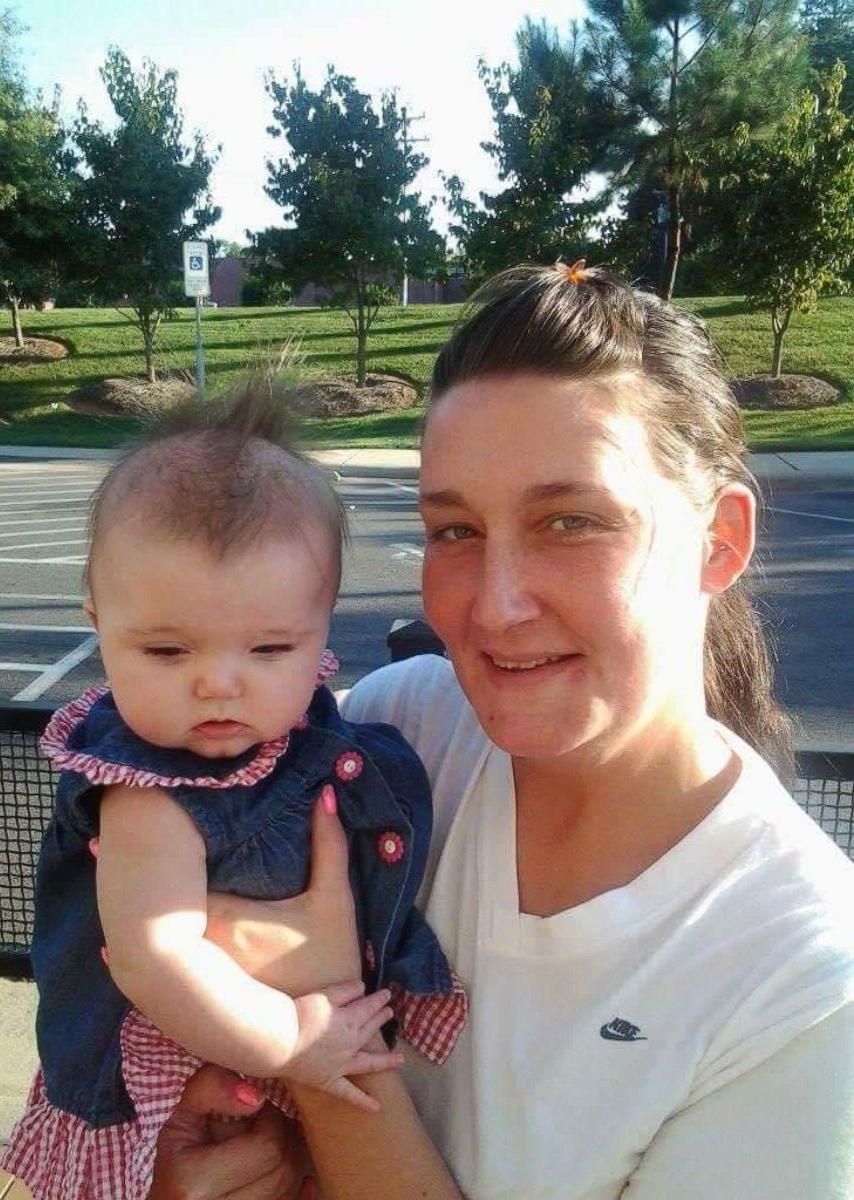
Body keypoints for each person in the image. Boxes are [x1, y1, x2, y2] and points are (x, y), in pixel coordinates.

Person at [153, 262, 854, 1199]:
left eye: (570, 520)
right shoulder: (395, 735)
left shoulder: (799, 981)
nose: (495, 603)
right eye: (454, 531)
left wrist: (322, 1030)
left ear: (718, 541)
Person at [0, 385, 466, 1200]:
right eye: (168, 650)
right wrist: (288, 1041)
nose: (219, 684)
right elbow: (154, 956)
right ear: (96, 620)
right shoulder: (146, 789)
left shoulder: (306, 733)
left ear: (323, 626)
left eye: (269, 646)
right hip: (181, 1080)